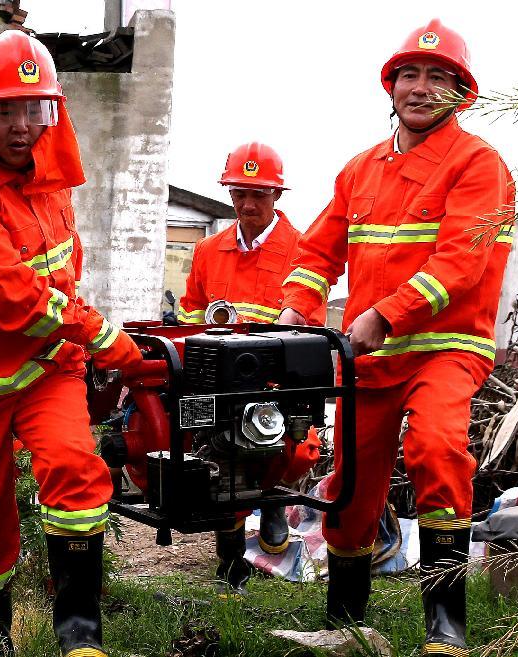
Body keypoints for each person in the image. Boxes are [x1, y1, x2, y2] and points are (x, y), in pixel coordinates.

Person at [279, 19, 515, 657]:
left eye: (439, 77)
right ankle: (344, 622)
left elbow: (461, 263)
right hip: (371, 360)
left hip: (446, 349)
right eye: (410, 74)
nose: (421, 87)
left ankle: (446, 625)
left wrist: (385, 315)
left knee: (438, 451)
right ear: (391, 87)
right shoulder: (360, 170)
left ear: (461, 93)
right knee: (351, 489)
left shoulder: (479, 164)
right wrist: (298, 307)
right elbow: (317, 252)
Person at [0, 30, 141, 657]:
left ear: (52, 112)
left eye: (34, 108)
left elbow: (62, 280)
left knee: (76, 471)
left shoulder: (50, 184)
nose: (21, 125)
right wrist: (107, 339)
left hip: (45, 370)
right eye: (5, 110)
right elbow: (19, 300)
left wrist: (88, 347)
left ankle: (79, 638)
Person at [177, 142, 325, 592]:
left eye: (258, 194)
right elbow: (190, 313)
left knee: (296, 452)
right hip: (221, 380)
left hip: (277, 383)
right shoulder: (208, 250)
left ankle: (274, 497)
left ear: (276, 194)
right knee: (222, 460)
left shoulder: (302, 250)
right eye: (239, 193)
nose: (247, 204)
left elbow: (312, 325)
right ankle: (231, 568)